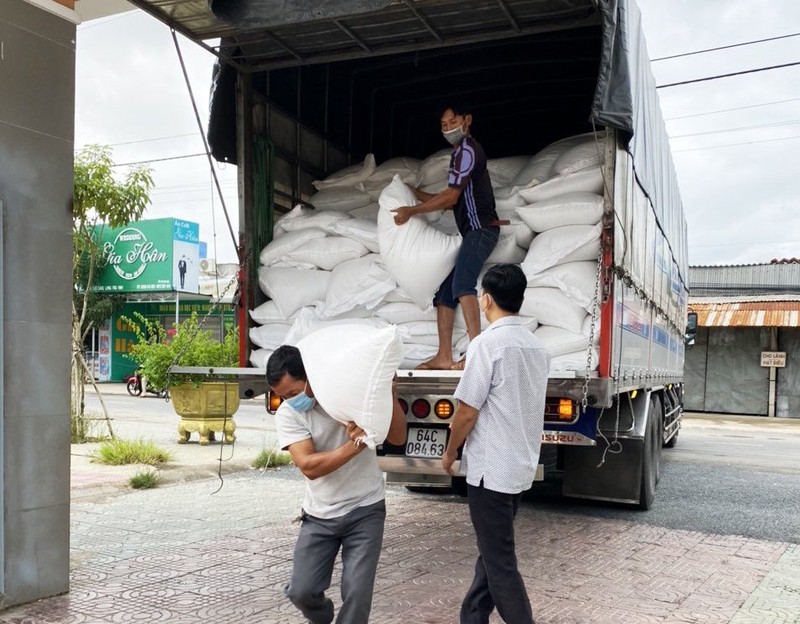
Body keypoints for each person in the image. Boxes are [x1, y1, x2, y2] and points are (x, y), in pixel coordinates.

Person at [266, 345, 407, 624]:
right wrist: (357, 444)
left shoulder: (351, 397)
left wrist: (388, 393)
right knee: (301, 591)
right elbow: (309, 466)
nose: (290, 401)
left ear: (311, 378)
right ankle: (322, 616)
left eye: (294, 393)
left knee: (357, 595)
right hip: (319, 515)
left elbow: (399, 437)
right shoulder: (289, 414)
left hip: (365, 508)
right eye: (283, 396)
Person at [441, 264, 550, 624]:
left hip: (490, 473)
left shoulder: (486, 345)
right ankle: (472, 617)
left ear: (485, 299)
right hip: (517, 468)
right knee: (492, 551)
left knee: (500, 563)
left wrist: (450, 450)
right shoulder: (536, 347)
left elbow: (467, 411)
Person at [392, 103, 500, 370]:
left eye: (453, 121)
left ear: (467, 119)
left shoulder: (466, 151)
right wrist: (415, 196)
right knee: (445, 292)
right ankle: (443, 356)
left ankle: (476, 355)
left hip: (481, 231)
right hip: (472, 232)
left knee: (463, 285)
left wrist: (411, 211)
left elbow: (450, 197)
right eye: (444, 125)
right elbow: (452, 201)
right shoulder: (458, 154)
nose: (449, 128)